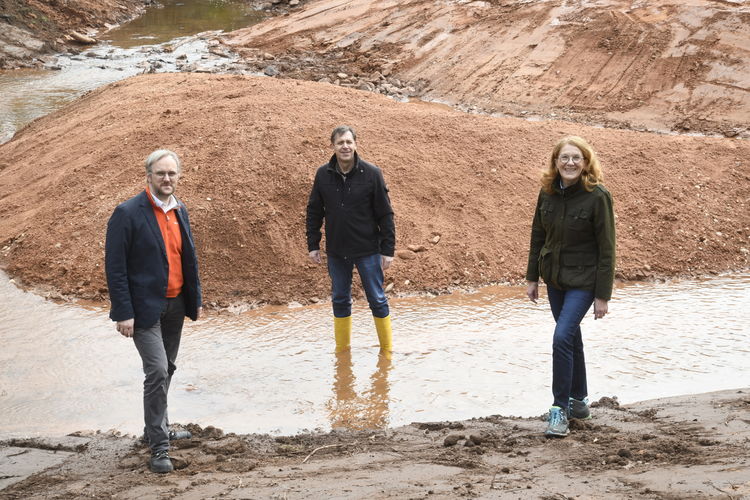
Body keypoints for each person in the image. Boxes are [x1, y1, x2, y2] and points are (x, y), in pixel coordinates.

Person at [105, 149, 202, 473]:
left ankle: (157, 425)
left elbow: (188, 257)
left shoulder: (179, 210)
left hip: (175, 305)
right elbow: (115, 267)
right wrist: (122, 312)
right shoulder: (127, 213)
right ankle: (159, 447)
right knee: (157, 370)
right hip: (144, 310)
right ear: (148, 176)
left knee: (168, 369)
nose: (167, 179)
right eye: (161, 173)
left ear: (178, 176)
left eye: (172, 174)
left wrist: (195, 297)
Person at [525, 136, 616, 438]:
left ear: (586, 163)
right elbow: (538, 235)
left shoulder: (597, 196)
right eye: (564, 157)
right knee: (571, 339)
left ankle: (558, 410)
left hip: (584, 281)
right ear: (555, 162)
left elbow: (607, 249)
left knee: (561, 337)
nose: (570, 163)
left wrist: (602, 295)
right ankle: (580, 402)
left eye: (577, 158)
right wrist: (531, 277)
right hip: (555, 280)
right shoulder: (547, 193)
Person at [306, 125, 396, 357]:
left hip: (368, 250)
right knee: (340, 299)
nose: (345, 146)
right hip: (337, 251)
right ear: (333, 146)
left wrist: (388, 250)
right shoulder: (322, 174)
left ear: (355, 144)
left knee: (376, 298)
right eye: (340, 143)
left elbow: (385, 214)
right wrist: (313, 244)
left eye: (348, 142)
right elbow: (314, 211)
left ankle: (387, 351)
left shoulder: (372, 173)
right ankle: (342, 351)